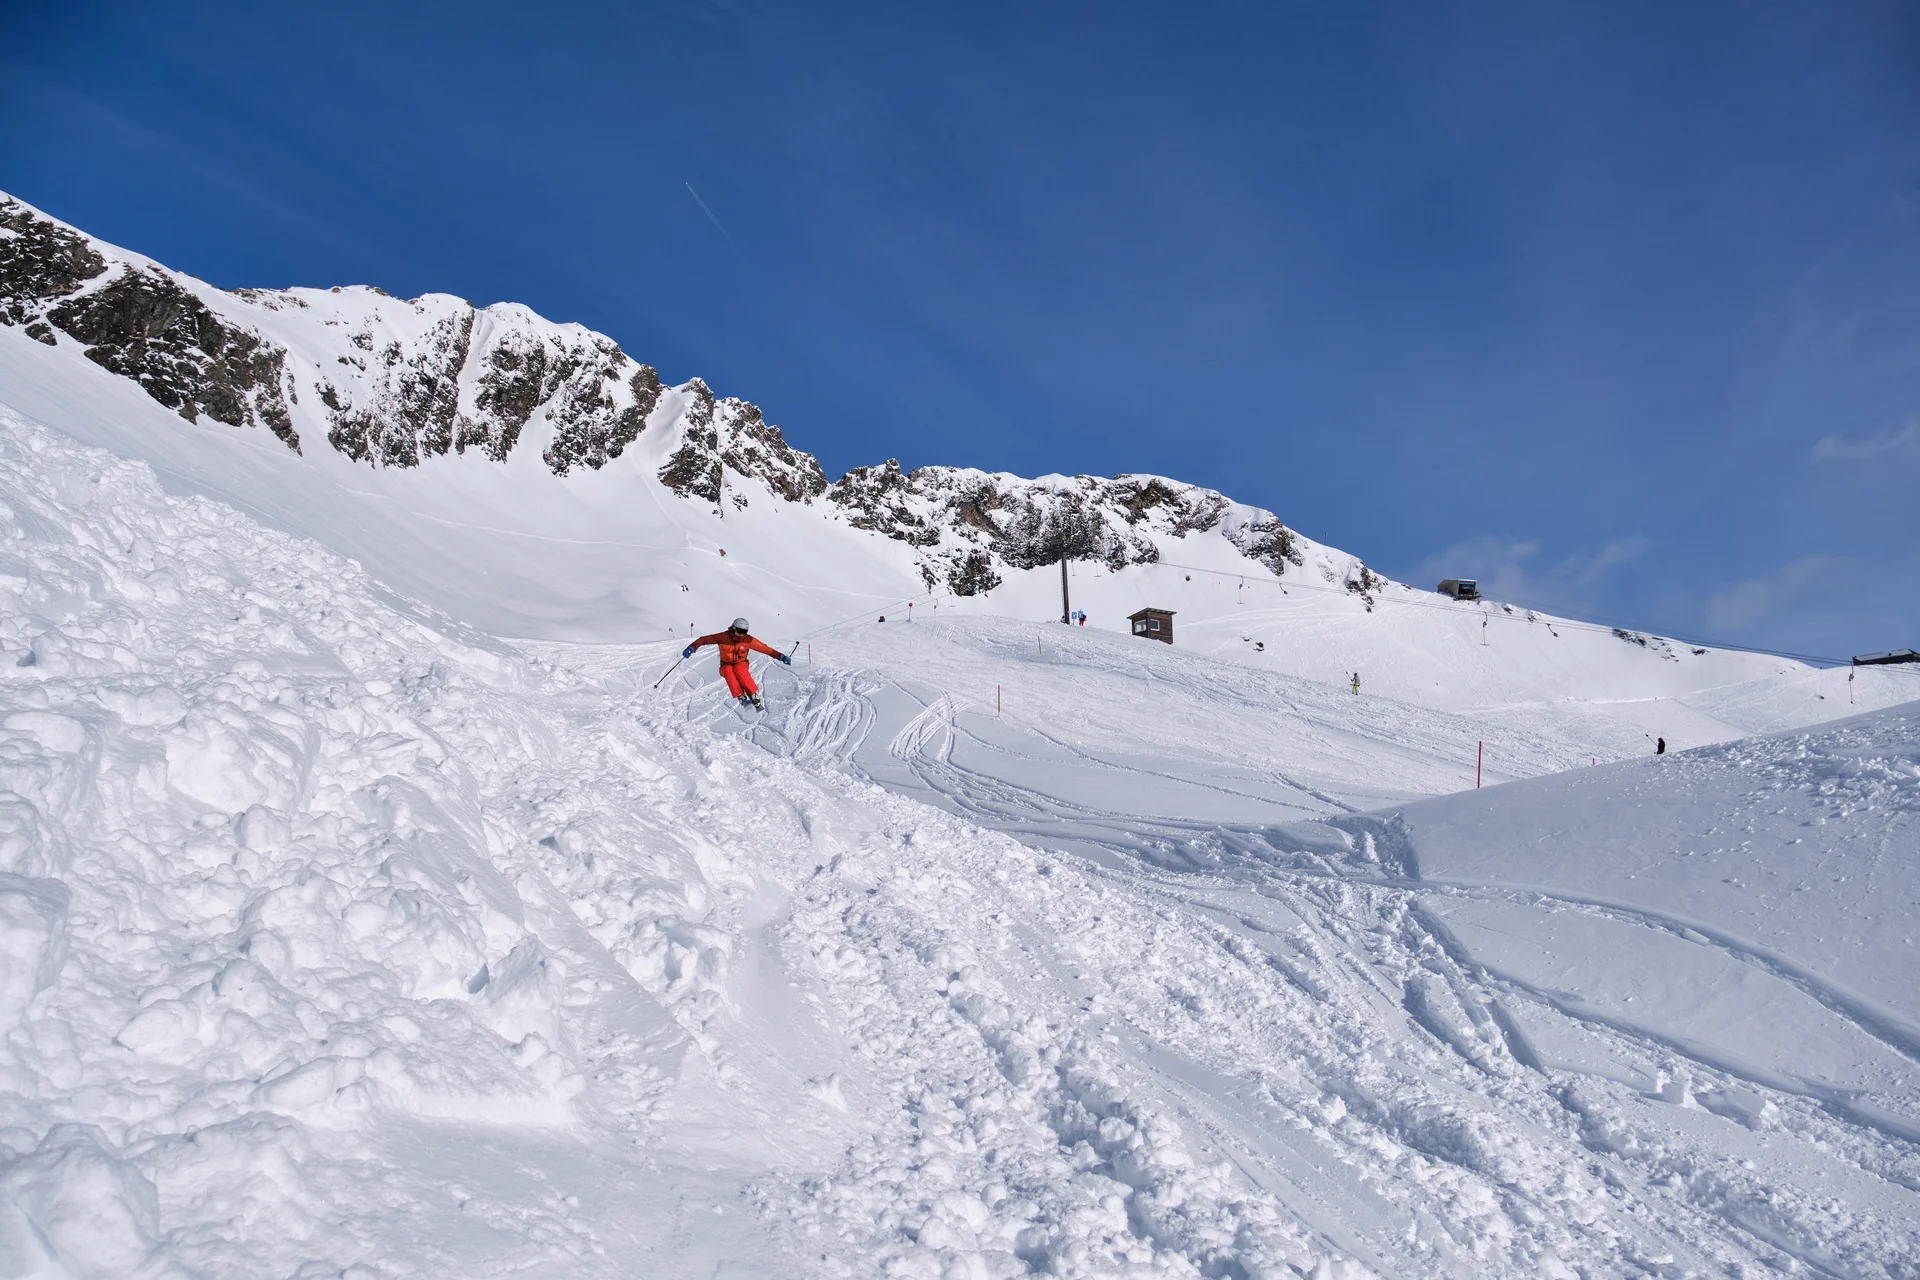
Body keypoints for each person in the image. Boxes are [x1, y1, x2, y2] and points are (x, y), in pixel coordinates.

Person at [683, 617, 789, 709]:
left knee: (739, 670)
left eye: (744, 632)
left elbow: (765, 649)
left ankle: (753, 694)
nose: (741, 634)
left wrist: (780, 656)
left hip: (741, 662)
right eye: (739, 631)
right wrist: (692, 647)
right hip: (726, 663)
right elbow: (703, 640)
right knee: (727, 670)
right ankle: (740, 695)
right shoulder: (723, 637)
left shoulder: (748, 640)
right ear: (733, 628)